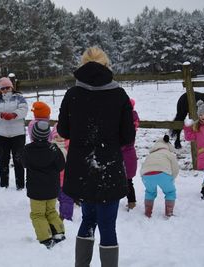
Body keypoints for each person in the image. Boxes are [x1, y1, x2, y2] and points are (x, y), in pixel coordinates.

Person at [57, 47, 135, 267]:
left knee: (87, 220)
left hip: (81, 167)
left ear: (82, 65)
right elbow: (128, 136)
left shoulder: (72, 94)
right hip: (108, 165)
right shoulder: (119, 95)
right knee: (107, 225)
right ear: (106, 64)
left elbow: (63, 130)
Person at [21, 121, 66, 249]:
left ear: (33, 134)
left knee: (38, 214)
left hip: (36, 190)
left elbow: (24, 163)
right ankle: (59, 232)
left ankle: (45, 238)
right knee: (51, 211)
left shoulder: (27, 149)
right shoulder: (54, 148)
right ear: (48, 135)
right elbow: (61, 165)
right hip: (52, 188)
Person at [0, 77, 28, 190]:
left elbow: (24, 109)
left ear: (12, 87)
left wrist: (14, 114)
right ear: (0, 89)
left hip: (18, 134)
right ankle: (3, 185)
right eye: (3, 88)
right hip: (2, 134)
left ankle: (20, 185)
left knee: (18, 159)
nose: (5, 90)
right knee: (3, 159)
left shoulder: (19, 98)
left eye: (7, 87)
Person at [140, 135, 179, 217]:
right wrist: (172, 178)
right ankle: (169, 212)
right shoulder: (168, 154)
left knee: (150, 192)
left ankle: (148, 212)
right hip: (163, 174)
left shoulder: (151, 155)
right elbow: (175, 168)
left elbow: (143, 166)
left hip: (146, 175)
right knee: (170, 192)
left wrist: (143, 177)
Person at [51, 124, 73, 221]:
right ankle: (63, 215)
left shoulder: (70, 147)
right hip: (56, 179)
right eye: (56, 136)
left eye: (61, 136)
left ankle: (66, 217)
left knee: (66, 199)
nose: (58, 138)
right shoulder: (51, 147)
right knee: (61, 198)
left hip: (66, 179)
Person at [121, 98, 140, 210]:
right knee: (128, 181)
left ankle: (130, 202)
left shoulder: (125, 126)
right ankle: (131, 202)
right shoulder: (132, 126)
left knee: (125, 181)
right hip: (129, 156)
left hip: (123, 156)